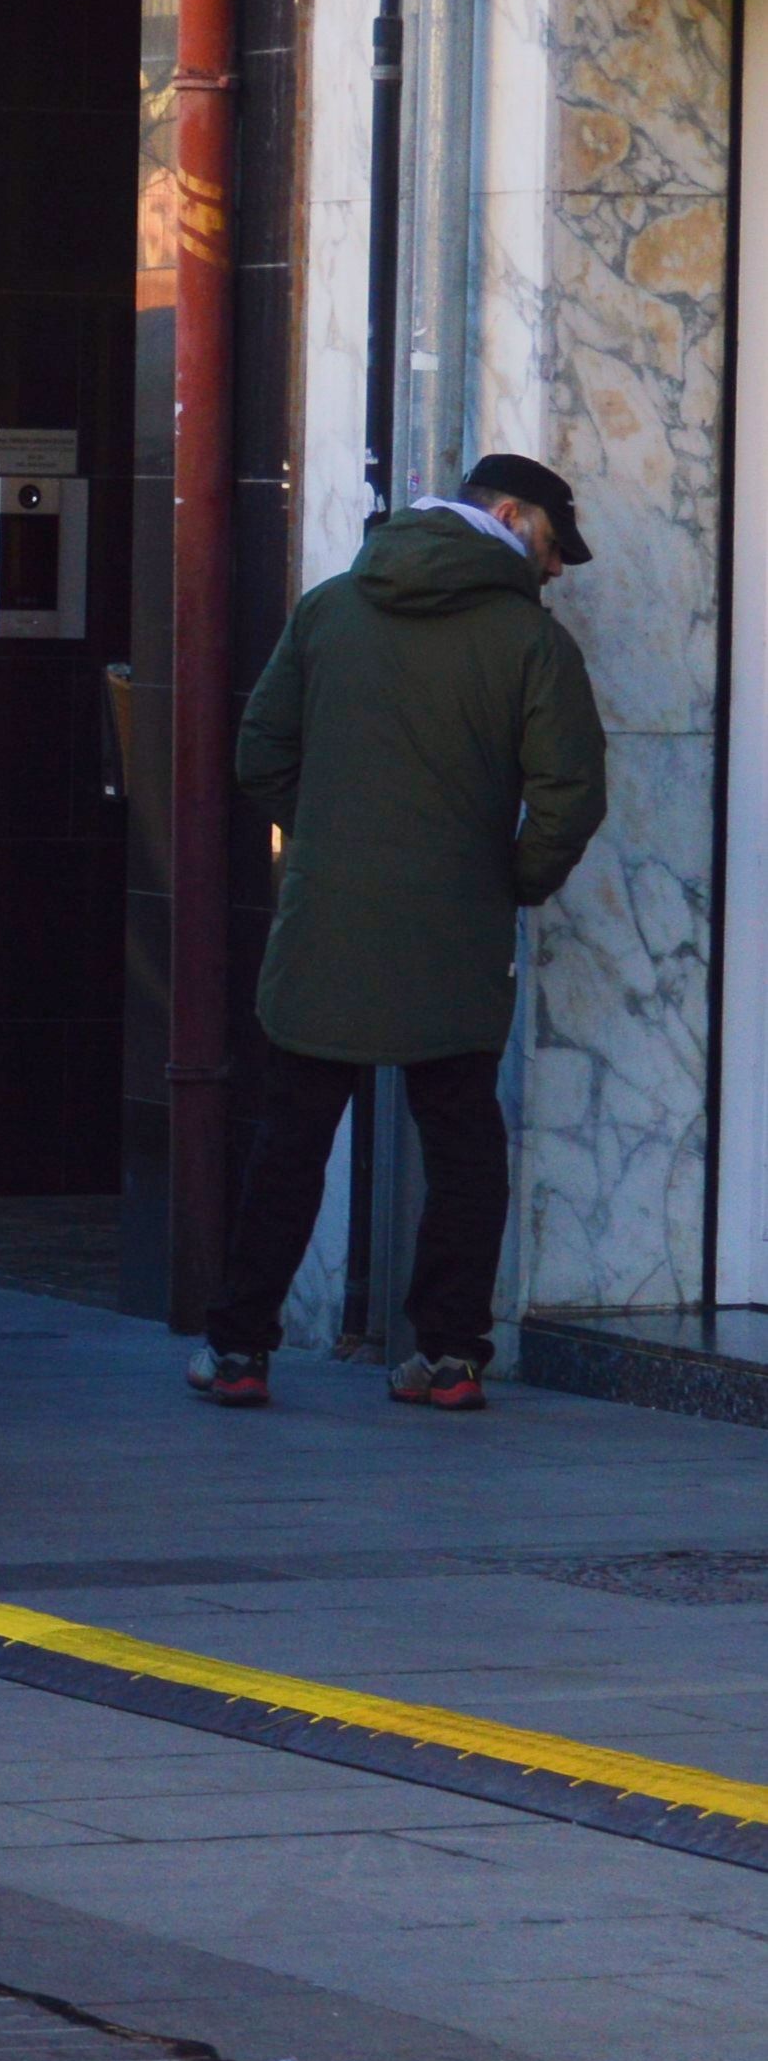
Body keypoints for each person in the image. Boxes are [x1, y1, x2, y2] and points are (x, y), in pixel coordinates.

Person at [192, 453, 608, 1414]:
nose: (555, 568)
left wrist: (333, 837)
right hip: (455, 931)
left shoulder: (331, 607)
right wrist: (509, 881)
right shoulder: (529, 645)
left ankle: (239, 1350)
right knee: (461, 1142)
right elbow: (568, 798)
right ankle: (452, 1358)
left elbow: (260, 754)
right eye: (551, 542)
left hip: (326, 923)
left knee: (290, 1139)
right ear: (508, 514)